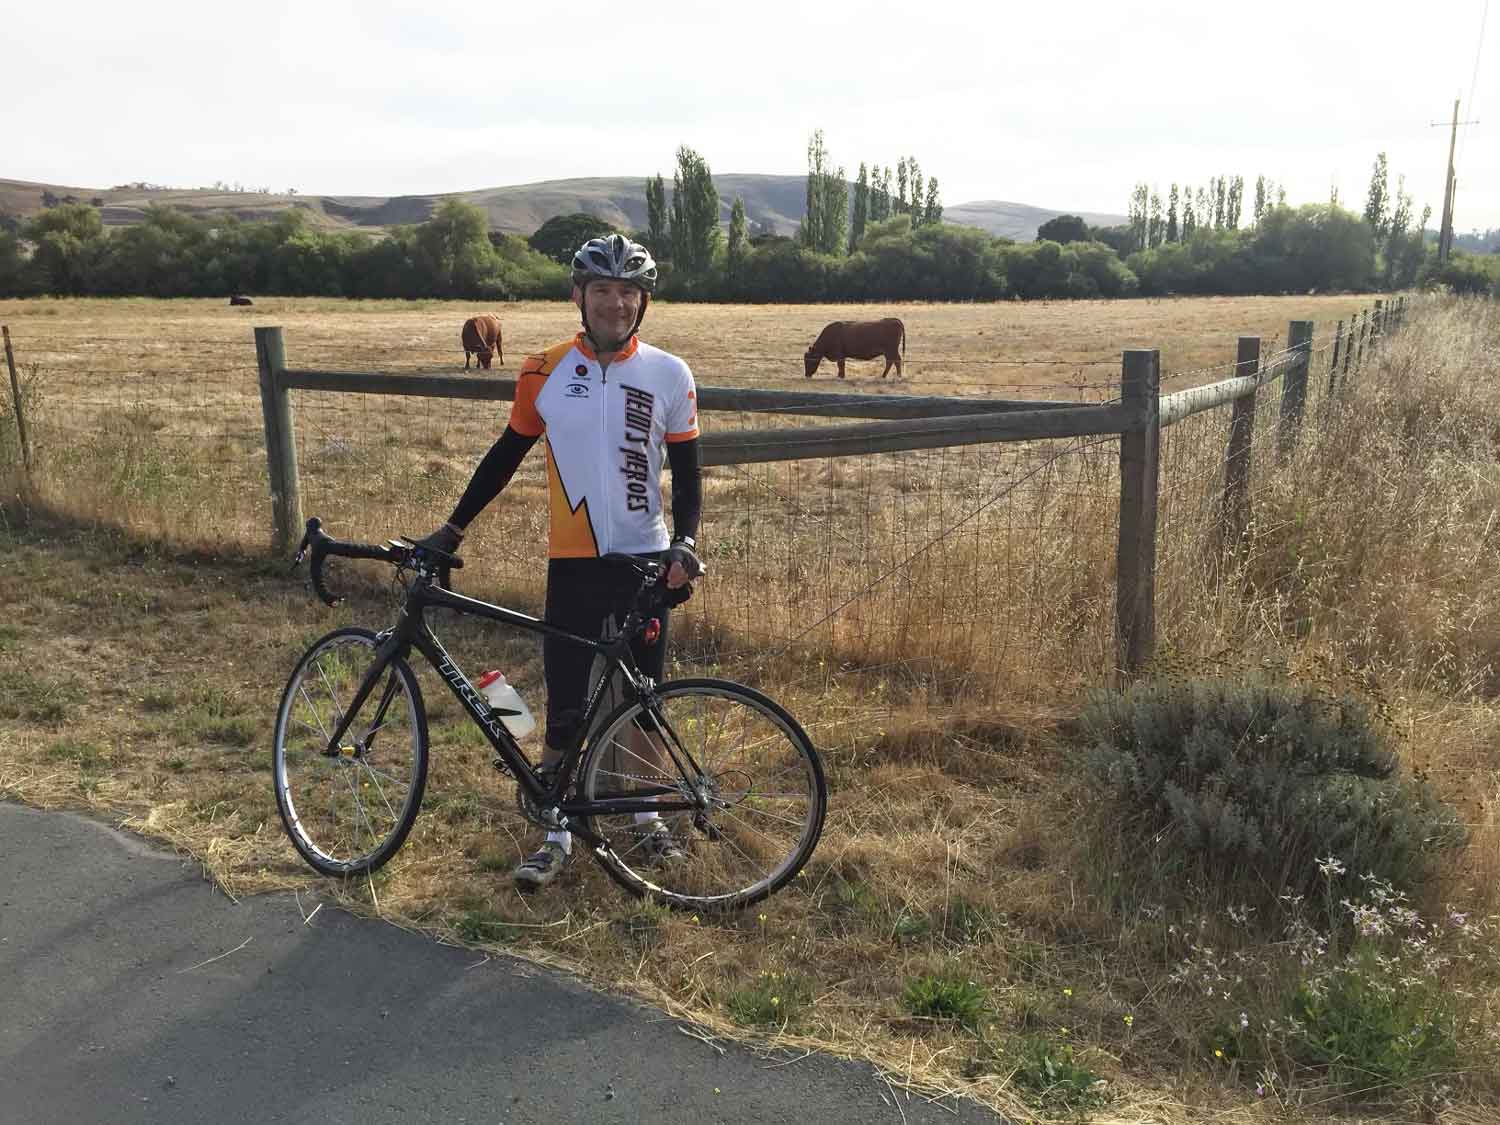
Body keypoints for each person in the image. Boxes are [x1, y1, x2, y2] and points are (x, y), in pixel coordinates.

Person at [417, 234, 703, 891]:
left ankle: (646, 815)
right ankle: (555, 830)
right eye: (602, 290)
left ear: (643, 303)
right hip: (571, 563)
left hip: (646, 560)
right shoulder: (540, 370)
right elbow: (504, 456)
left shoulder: (669, 373)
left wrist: (685, 543)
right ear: (578, 296)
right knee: (566, 702)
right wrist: (452, 528)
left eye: (628, 292)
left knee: (644, 696)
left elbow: (688, 476)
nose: (616, 302)